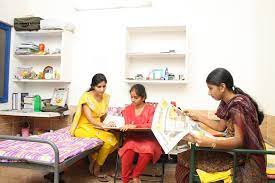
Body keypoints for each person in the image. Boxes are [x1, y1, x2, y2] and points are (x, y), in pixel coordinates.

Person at [175, 68, 267, 183]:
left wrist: (210, 142)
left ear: (222, 87)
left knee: (186, 158)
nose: (209, 93)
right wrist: (197, 117)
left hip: (243, 156)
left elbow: (239, 141)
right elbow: (220, 127)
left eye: (210, 88)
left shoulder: (238, 105)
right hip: (232, 151)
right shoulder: (226, 102)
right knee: (185, 155)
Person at [69, 73, 118, 181]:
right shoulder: (86, 97)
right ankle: (97, 167)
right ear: (93, 86)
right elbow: (90, 118)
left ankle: (95, 158)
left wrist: (110, 122)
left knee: (117, 140)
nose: (102, 89)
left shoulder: (105, 97)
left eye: (104, 86)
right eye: (99, 87)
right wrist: (103, 125)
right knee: (110, 139)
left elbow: (102, 115)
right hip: (83, 128)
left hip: (96, 127)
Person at [119, 84, 162, 183]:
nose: (133, 100)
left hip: (148, 138)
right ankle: (125, 180)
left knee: (148, 149)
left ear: (143, 97)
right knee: (127, 149)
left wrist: (135, 126)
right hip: (132, 138)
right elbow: (123, 123)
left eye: (136, 97)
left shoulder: (150, 109)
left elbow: (152, 125)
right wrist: (115, 123)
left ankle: (135, 175)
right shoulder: (127, 109)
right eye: (131, 97)